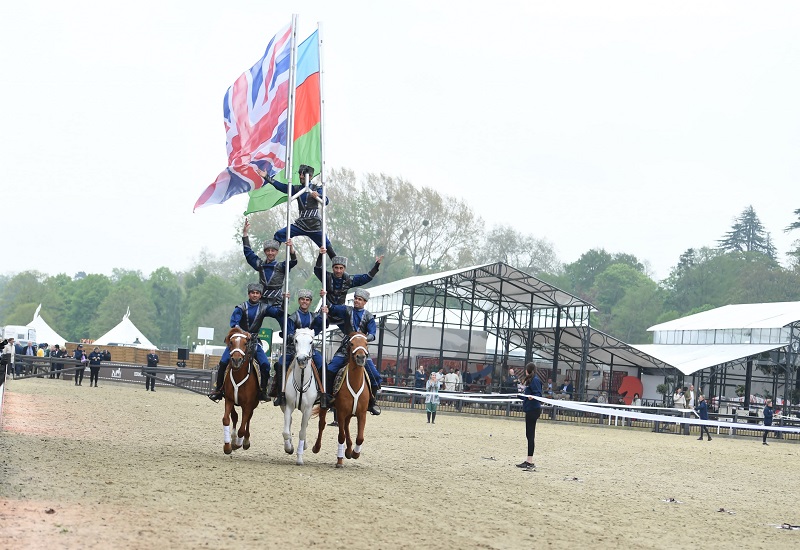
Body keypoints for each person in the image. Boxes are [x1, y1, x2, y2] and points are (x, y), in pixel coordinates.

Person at [207, 284, 275, 403]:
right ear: (249, 294)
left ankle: (263, 390)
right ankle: (218, 390)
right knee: (223, 362)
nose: (254, 295)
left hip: (254, 342)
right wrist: (243, 332)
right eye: (252, 292)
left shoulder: (264, 307)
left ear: (260, 295)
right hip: (237, 342)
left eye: (257, 293)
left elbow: (277, 313)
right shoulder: (241, 308)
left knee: (265, 364)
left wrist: (285, 301)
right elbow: (234, 323)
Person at [254, 164, 338, 259]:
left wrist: (318, 196)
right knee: (279, 234)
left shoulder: (317, 189)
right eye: (300, 174)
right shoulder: (297, 189)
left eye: (303, 174)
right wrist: (267, 177)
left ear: (309, 176)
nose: (301, 176)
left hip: (315, 226)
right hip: (300, 224)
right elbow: (282, 187)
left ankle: (340, 269)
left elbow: (326, 201)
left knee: (328, 246)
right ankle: (271, 259)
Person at [321, 288, 382, 415]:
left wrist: (363, 339)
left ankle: (372, 403)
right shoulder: (346, 310)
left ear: (365, 302)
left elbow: (372, 334)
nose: (356, 301)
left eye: (359, 299)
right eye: (355, 298)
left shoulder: (369, 317)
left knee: (375, 376)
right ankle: (328, 397)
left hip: (360, 349)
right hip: (345, 348)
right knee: (330, 369)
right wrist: (325, 295)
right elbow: (332, 307)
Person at [267, 289, 324, 407]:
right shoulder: (292, 317)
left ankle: (323, 394)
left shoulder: (313, 316)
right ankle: (280, 393)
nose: (305, 302)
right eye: (302, 299)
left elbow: (320, 324)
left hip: (309, 350)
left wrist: (324, 306)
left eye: (307, 300)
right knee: (280, 365)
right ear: (299, 301)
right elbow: (289, 333)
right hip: (293, 349)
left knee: (323, 365)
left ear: (310, 302)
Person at [315, 249, 383, 325]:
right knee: (315, 324)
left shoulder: (348, 280)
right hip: (326, 310)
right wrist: (320, 255)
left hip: (341, 313)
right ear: (332, 268)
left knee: (354, 327)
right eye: (336, 268)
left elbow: (367, 277)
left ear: (344, 269)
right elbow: (317, 269)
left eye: (341, 268)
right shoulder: (326, 277)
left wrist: (376, 265)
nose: (338, 271)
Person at [242, 218, 297, 306]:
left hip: (277, 301)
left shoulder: (281, 266)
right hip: (262, 301)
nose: (270, 253)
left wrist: (291, 248)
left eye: (273, 251)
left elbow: (293, 261)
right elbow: (248, 253)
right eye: (268, 251)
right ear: (265, 252)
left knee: (285, 318)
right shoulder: (260, 265)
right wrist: (245, 234)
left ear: (276, 252)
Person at [517, 362, 543, 469]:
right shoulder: (530, 380)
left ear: (527, 370)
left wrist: (533, 396)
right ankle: (529, 459)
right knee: (529, 434)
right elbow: (527, 396)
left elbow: (538, 394)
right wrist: (519, 395)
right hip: (529, 409)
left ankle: (529, 460)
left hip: (533, 410)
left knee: (530, 435)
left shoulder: (535, 380)